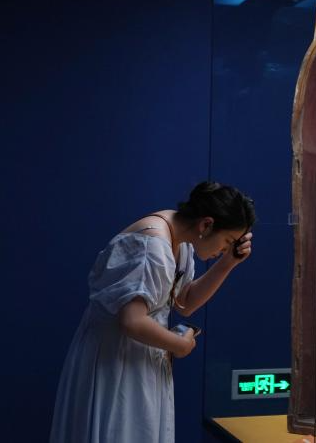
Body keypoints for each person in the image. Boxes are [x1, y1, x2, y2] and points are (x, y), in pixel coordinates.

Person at [50, 181, 256, 443]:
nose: (224, 250)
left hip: (138, 361)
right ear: (206, 224)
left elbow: (185, 301)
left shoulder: (180, 241)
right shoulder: (152, 245)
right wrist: (179, 345)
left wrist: (228, 263)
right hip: (115, 362)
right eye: (227, 242)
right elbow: (131, 320)